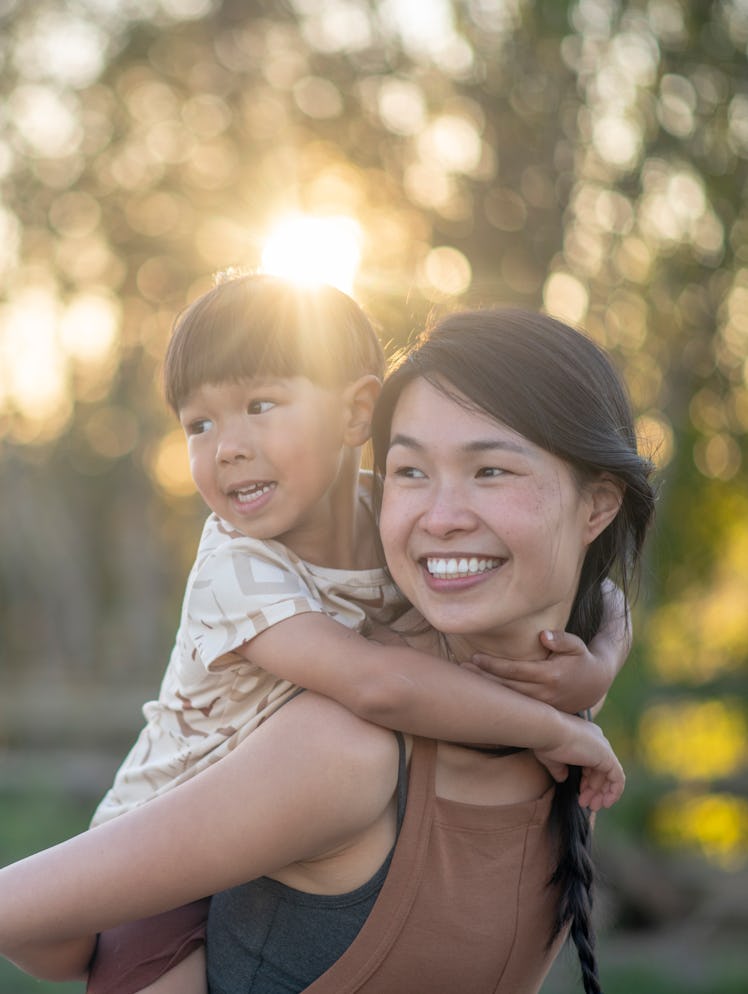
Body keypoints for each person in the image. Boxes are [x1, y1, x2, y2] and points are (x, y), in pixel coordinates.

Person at [0, 306, 650, 994]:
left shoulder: (386, 541)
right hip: (154, 856)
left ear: (597, 507)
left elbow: (607, 595)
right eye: (411, 471)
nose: (440, 516)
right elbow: (379, 686)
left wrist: (597, 668)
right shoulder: (253, 589)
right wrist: (557, 725)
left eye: (489, 471)